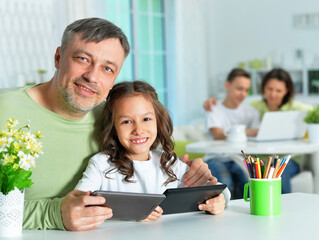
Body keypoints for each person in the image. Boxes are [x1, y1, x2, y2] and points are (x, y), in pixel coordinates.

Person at [0, 18, 216, 231]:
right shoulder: (5, 110)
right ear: (58, 58)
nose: (92, 76)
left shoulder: (115, 118)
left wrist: (201, 185)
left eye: (107, 69)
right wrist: (53, 214)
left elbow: (151, 171)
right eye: (83, 59)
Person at [75, 81, 230, 220]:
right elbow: (78, 204)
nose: (138, 129)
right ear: (114, 128)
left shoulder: (169, 163)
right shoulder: (101, 164)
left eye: (146, 119)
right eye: (127, 121)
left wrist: (217, 201)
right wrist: (132, 212)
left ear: (158, 121)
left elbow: (222, 191)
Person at [204, 68, 313, 194]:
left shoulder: (296, 107)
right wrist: (210, 102)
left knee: (273, 175)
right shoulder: (254, 107)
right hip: (255, 158)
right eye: (269, 89)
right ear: (263, 88)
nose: (273, 94)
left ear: (286, 91)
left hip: (285, 158)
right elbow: (252, 132)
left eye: (278, 91)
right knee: (244, 176)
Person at [204, 68, 260, 199]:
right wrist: (249, 132)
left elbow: (258, 136)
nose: (243, 94)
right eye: (239, 89)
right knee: (224, 182)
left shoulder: (252, 112)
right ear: (227, 85)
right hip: (216, 157)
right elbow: (217, 134)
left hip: (239, 159)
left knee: (249, 182)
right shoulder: (213, 108)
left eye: (247, 90)